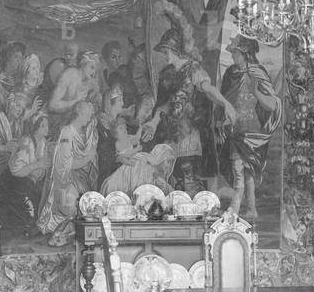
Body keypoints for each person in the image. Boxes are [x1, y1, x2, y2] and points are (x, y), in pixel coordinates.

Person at [141, 26, 236, 192]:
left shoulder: (194, 69)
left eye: (166, 51)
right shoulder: (166, 74)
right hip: (170, 132)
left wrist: (225, 103)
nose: (164, 56)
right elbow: (164, 104)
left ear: (175, 49)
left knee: (189, 176)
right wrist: (154, 123)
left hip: (189, 132)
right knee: (169, 176)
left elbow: (208, 89)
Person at [217, 35, 281, 219]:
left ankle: (236, 208)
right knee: (241, 169)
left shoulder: (257, 72)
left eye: (235, 53)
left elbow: (272, 104)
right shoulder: (230, 73)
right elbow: (224, 101)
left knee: (245, 167)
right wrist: (220, 122)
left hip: (252, 129)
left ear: (245, 54)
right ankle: (251, 208)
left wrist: (255, 92)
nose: (232, 57)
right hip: (233, 128)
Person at [37, 100, 98, 246]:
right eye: (88, 115)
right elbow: (65, 164)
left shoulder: (83, 133)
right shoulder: (67, 132)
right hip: (66, 180)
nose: (89, 119)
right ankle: (63, 232)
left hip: (81, 177)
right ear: (80, 114)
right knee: (74, 208)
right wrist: (87, 157)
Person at [2, 114, 50, 237]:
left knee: (45, 196)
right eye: (43, 125)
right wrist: (38, 165)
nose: (47, 128)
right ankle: (26, 227)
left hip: (29, 180)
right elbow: (16, 171)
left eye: (46, 125)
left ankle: (37, 226)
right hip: (13, 182)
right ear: (36, 128)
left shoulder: (43, 142)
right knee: (30, 206)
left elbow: (42, 167)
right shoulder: (26, 142)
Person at [100, 115, 174, 195]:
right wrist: (137, 150)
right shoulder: (118, 144)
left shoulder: (128, 138)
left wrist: (141, 127)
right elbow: (127, 154)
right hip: (128, 160)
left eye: (125, 128)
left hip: (133, 159)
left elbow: (137, 137)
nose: (124, 130)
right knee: (137, 163)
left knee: (139, 161)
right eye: (121, 128)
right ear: (115, 133)